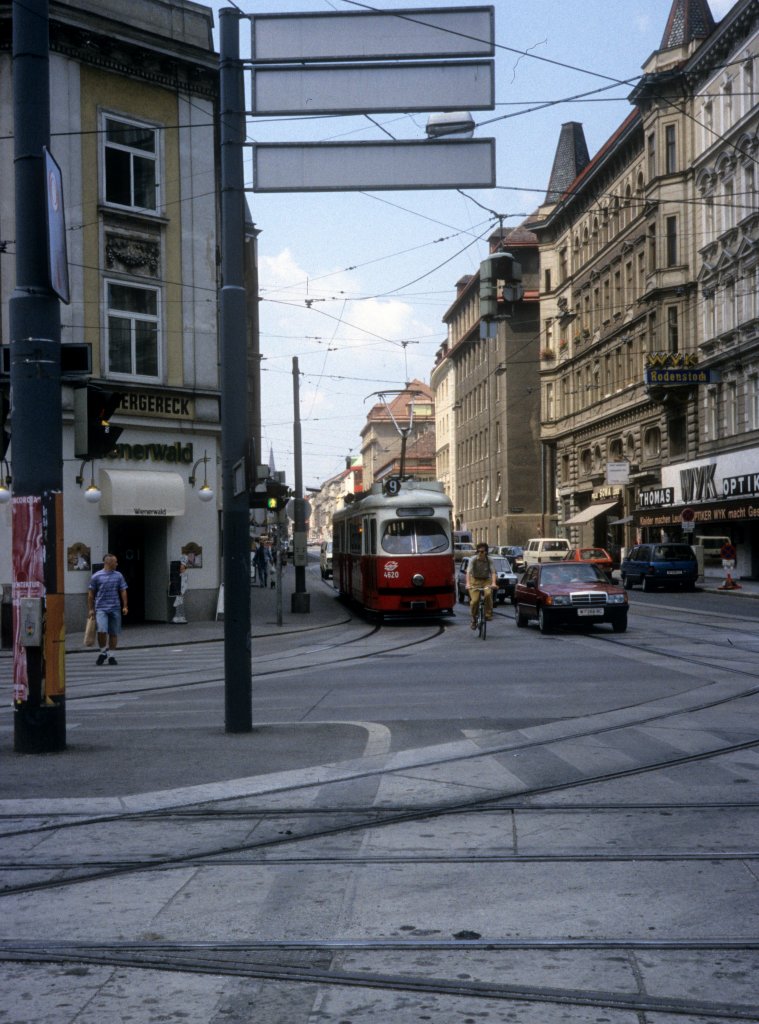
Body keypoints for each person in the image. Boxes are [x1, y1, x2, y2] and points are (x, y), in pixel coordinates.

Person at [87, 553, 128, 665]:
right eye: (115, 562)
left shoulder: (118, 575)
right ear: (108, 563)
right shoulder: (96, 576)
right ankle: (103, 651)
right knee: (101, 630)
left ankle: (111, 655)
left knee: (114, 632)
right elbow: (91, 594)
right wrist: (91, 609)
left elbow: (123, 590)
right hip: (101, 608)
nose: (117, 563)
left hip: (115, 607)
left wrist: (125, 606)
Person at [466, 542, 497, 630]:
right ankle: (473, 618)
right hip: (474, 580)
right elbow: (468, 572)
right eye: (478, 551)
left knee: (488, 594)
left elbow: (493, 572)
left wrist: (494, 583)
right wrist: (468, 584)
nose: (480, 553)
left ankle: (488, 614)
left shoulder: (489, 560)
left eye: (482, 552)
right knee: (475, 601)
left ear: (486, 552)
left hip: (486, 580)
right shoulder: (473, 560)